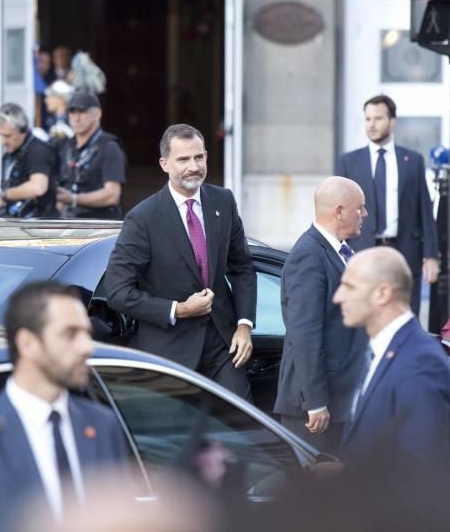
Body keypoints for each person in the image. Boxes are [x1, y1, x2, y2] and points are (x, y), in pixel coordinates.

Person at [104, 124, 256, 398]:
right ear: (164, 164)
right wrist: (179, 309)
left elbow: (242, 267)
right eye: (183, 159)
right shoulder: (143, 219)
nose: (193, 166)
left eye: (199, 157)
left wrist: (244, 326)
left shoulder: (223, 201)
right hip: (168, 354)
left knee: (242, 431)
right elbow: (117, 292)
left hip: (224, 347)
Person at [0, 281, 130, 532]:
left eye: (86, 334)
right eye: (70, 334)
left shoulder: (103, 425)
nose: (86, 347)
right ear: (27, 343)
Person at [334, 247, 450, 479]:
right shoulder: (380, 350)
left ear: (382, 294)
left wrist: (344, 477)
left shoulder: (421, 363)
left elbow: (419, 473)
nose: (338, 297)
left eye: (349, 287)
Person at [273, 176, 369, 452]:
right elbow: (305, 334)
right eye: (359, 208)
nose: (365, 214)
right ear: (339, 212)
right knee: (316, 490)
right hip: (316, 410)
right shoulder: (309, 255)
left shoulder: (338, 250)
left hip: (342, 399)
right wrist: (315, 402)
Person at [335, 95, 439, 315]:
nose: (371, 124)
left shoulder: (413, 161)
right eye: (368, 119)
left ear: (392, 121)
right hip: (362, 252)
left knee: (404, 315)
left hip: (404, 252)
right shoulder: (349, 162)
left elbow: (425, 210)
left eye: (378, 118)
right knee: (366, 316)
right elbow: (339, 211)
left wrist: (430, 255)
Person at [56, 90, 126, 219]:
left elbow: (112, 195)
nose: (76, 118)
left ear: (98, 114)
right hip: (68, 227)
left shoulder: (109, 147)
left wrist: (73, 199)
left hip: (100, 228)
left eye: (82, 112)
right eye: (72, 112)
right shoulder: (67, 147)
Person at [0, 103, 59, 219]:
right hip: (17, 224)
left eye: (8, 136)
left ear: (23, 130)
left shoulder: (38, 151)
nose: (3, 141)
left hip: (39, 226)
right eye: (1, 135)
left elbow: (38, 187)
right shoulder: (10, 154)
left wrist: (4, 196)